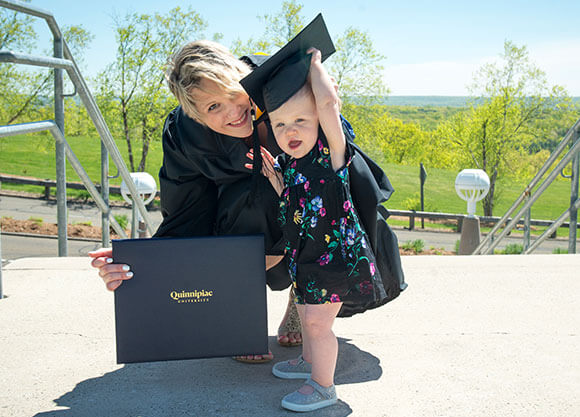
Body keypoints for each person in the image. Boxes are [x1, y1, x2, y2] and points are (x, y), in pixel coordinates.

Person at [89, 39, 303, 363]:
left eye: (232, 92)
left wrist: (286, 188)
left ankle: (302, 293)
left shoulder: (284, 86)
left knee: (330, 203)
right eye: (212, 107)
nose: (232, 112)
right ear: (197, 116)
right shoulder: (185, 135)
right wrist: (143, 267)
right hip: (251, 215)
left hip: (314, 196)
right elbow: (186, 213)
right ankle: (243, 319)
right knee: (247, 198)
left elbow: (338, 172)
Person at [240, 14, 406, 412]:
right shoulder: (293, 161)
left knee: (317, 323)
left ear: (320, 120)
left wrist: (314, 65)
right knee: (305, 312)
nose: (290, 131)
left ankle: (323, 386)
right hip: (307, 255)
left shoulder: (333, 154)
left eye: (301, 120)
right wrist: (279, 182)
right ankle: (309, 362)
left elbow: (329, 102)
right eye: (280, 124)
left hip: (334, 258)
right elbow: (297, 198)